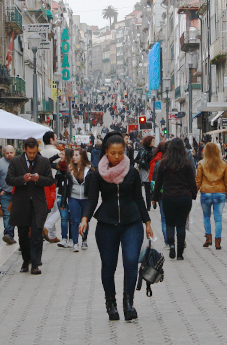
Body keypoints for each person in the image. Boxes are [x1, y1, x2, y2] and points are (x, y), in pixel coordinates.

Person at [80, 132, 154, 321]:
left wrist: (147, 222)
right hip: (106, 224)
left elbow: (138, 198)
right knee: (109, 266)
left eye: (121, 153)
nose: (117, 157)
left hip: (132, 223)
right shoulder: (97, 175)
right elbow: (92, 199)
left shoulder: (132, 173)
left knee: (130, 263)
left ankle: (128, 304)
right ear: (106, 152)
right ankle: (110, 304)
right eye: (113, 153)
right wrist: (85, 218)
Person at [6, 137, 55, 275]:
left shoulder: (44, 161)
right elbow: (9, 179)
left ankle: (35, 263)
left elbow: (51, 180)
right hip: (21, 204)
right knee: (22, 235)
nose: (32, 155)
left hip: (38, 204)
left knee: (36, 234)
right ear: (25, 150)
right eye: (30, 153)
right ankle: (25, 260)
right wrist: (23, 179)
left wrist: (39, 179)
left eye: (34, 152)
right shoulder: (16, 161)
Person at [152, 139, 198, 260]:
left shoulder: (164, 163)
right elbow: (192, 182)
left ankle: (171, 244)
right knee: (181, 225)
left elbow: (158, 183)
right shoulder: (186, 163)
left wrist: (155, 198)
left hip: (168, 197)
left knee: (170, 223)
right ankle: (180, 253)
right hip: (184, 197)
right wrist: (193, 195)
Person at [196, 142, 227, 250]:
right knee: (218, 218)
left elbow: (198, 180)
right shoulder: (223, 164)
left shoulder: (201, 163)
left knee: (206, 216)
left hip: (206, 193)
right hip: (220, 193)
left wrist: (194, 193)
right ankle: (218, 241)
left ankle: (208, 238)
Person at [66, 147, 93, 251]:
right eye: (73, 155)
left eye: (76, 155)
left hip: (85, 198)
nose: (74, 157)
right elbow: (66, 186)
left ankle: (84, 240)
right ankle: (75, 243)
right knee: (74, 220)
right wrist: (64, 200)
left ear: (82, 157)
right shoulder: (70, 169)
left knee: (84, 220)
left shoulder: (89, 169)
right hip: (73, 197)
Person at [45, 147, 71, 247]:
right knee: (58, 212)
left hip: (68, 193)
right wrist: (56, 155)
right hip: (58, 191)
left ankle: (48, 228)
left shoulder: (71, 166)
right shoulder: (60, 165)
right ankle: (53, 234)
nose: (61, 155)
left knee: (62, 213)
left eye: (63, 154)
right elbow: (47, 162)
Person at [41, 131, 63, 243]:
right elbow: (62, 167)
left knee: (51, 209)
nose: (57, 139)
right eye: (55, 137)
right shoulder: (57, 152)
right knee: (60, 209)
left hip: (42, 184)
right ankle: (46, 227)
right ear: (51, 140)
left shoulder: (41, 153)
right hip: (55, 185)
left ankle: (52, 235)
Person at [0, 145, 16, 244]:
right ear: (4, 153)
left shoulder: (19, 162)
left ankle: (21, 238)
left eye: (11, 152)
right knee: (7, 214)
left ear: (14, 152)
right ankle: (8, 235)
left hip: (17, 193)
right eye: (7, 153)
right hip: (5, 193)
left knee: (18, 216)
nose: (9, 155)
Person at [135, 135, 155, 210]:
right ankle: (148, 205)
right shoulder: (142, 150)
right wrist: (141, 163)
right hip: (145, 171)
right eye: (152, 141)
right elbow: (136, 159)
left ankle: (153, 201)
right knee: (147, 188)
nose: (154, 142)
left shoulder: (154, 150)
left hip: (153, 170)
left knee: (153, 187)